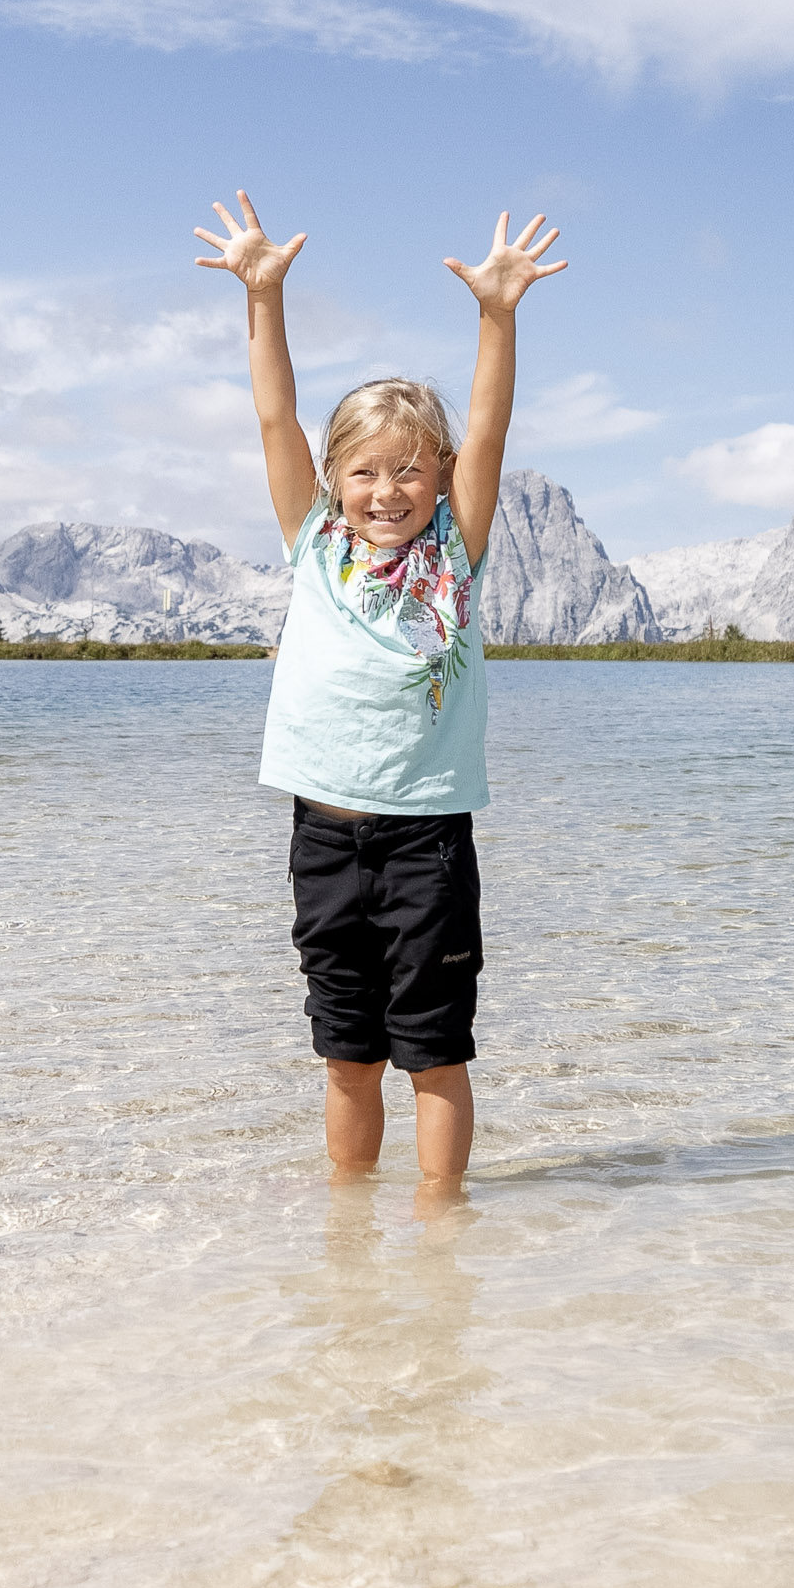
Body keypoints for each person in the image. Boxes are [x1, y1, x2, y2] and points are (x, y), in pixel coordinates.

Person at [196, 189, 562, 1204]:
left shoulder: (458, 555)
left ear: (439, 481)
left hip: (425, 844)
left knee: (433, 1054)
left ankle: (444, 1228)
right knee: (346, 1053)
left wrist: (498, 317)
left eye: (409, 471)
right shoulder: (312, 545)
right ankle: (346, 1233)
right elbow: (274, 410)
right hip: (323, 837)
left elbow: (489, 428)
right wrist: (262, 299)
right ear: (333, 479)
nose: (386, 491)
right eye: (365, 471)